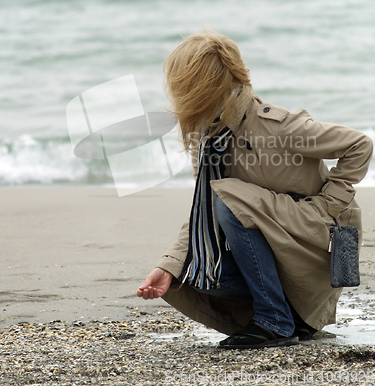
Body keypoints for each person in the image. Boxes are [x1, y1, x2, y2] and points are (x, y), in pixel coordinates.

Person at [137, 31, 373, 349]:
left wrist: (327, 205)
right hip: (281, 243)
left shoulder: (281, 127)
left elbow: (360, 145)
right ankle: (288, 315)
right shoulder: (210, 141)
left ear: (206, 86)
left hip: (320, 242)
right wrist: (168, 265)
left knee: (228, 198)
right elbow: (203, 210)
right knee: (197, 271)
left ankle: (275, 318)